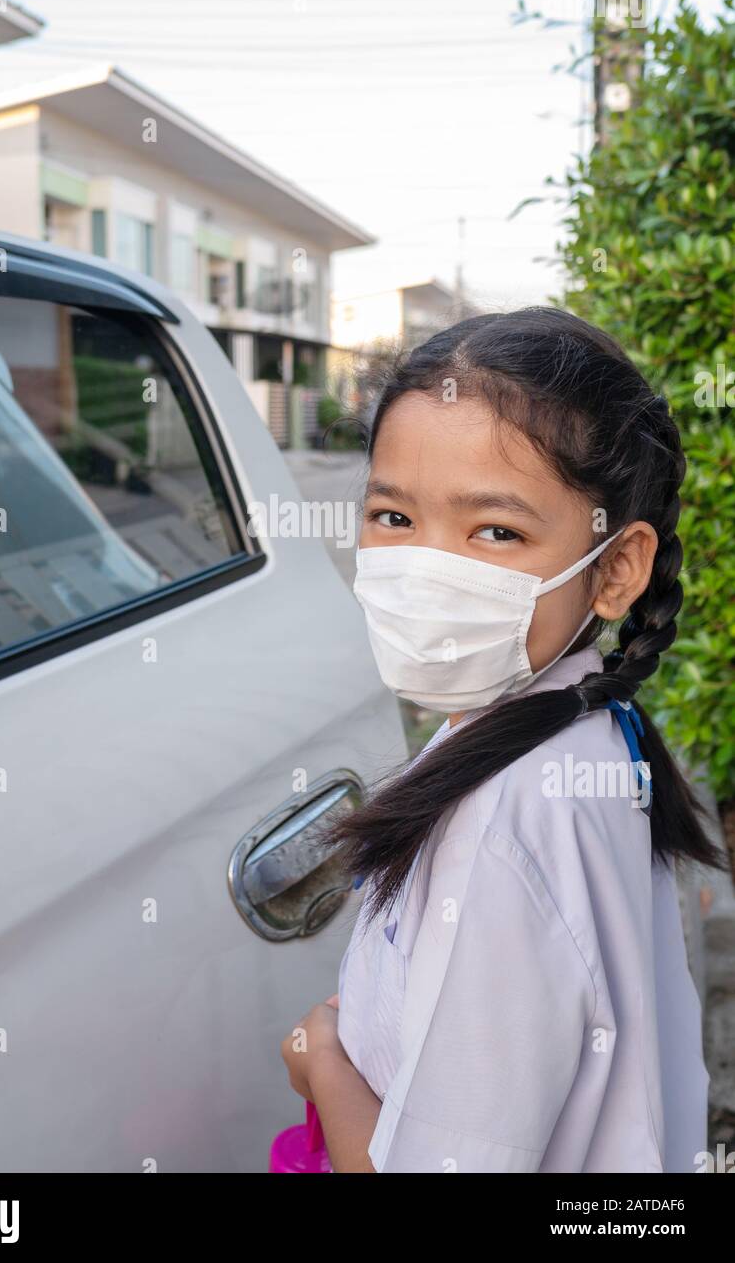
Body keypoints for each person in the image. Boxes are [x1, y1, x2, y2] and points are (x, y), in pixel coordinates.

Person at [279, 307, 727, 1173]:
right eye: (393, 518)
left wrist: (319, 1060)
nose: (425, 569)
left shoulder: (503, 820)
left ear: (613, 569)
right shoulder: (584, 726)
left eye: (495, 532)